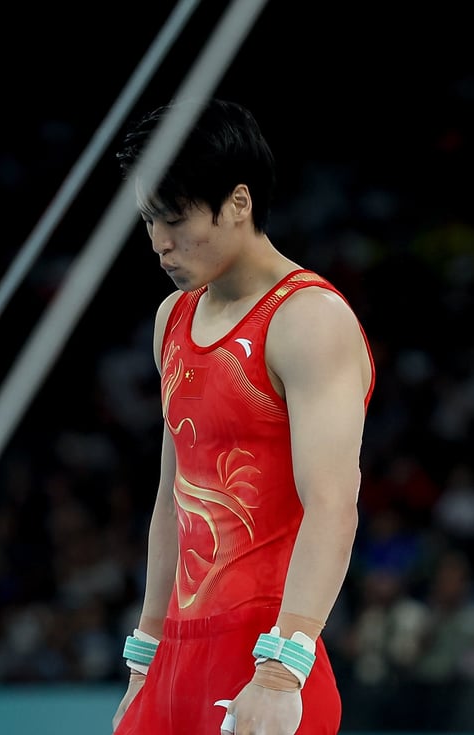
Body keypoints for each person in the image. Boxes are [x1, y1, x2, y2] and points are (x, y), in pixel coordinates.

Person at [110, 98, 375, 735]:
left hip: (264, 658)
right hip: (175, 662)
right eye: (149, 220)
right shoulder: (172, 320)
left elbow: (333, 505)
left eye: (175, 218)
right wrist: (145, 663)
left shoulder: (307, 320)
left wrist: (282, 673)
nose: (160, 243)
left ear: (238, 202)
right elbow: (172, 500)